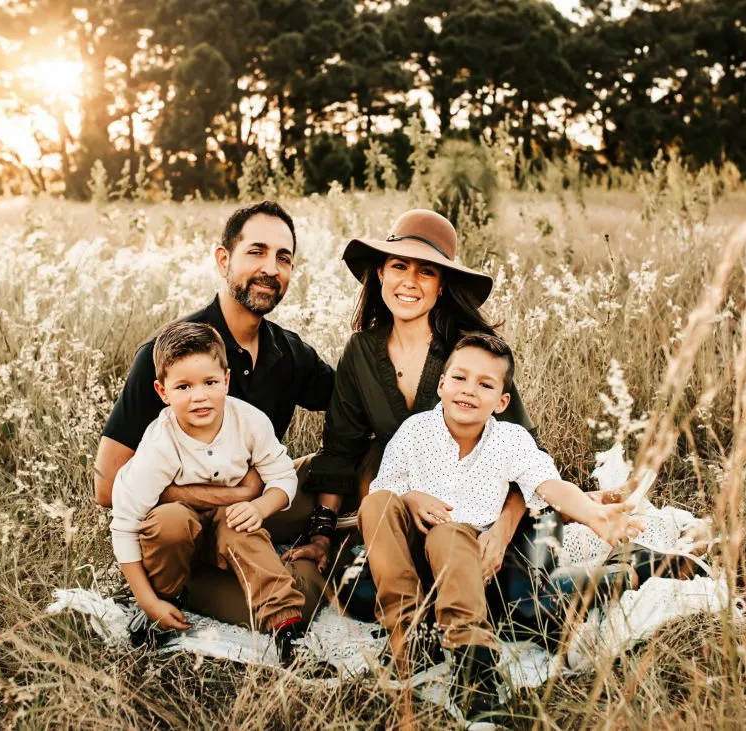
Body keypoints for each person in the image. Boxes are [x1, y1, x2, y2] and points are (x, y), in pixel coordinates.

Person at [359, 333, 642, 717]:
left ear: (502, 401)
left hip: (472, 556)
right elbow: (384, 491)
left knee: (455, 538)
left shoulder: (510, 439)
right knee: (377, 505)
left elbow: (547, 484)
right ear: (441, 384)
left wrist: (592, 516)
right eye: (459, 378)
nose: (469, 391)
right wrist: (410, 498)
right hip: (414, 551)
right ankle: (409, 637)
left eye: (485, 384)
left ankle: (473, 663)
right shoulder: (414, 432)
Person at [95, 201, 335, 627]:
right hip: (179, 534)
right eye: (256, 252)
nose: (271, 268)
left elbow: (349, 405)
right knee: (300, 595)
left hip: (247, 521)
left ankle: (304, 557)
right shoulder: (168, 357)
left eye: (284, 258)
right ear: (223, 259)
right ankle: (184, 589)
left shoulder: (289, 352)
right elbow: (109, 488)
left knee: (328, 474)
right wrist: (241, 494)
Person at [283, 209, 540, 604]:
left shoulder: (470, 350)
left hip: (478, 514)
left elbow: (526, 455)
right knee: (362, 600)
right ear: (381, 273)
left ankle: (634, 567)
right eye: (399, 265)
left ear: (442, 286)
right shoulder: (361, 351)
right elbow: (340, 452)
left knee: (520, 606)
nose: (410, 281)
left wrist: (500, 533)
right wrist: (321, 535)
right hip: (401, 511)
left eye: (427, 271)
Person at [111, 322, 307, 663]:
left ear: (227, 381)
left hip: (226, 524)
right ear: (162, 391)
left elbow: (283, 477)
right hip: (178, 535)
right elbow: (125, 524)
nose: (199, 396)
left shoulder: (249, 421)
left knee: (240, 524)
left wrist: (260, 506)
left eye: (210, 383)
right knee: (168, 520)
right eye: (184, 386)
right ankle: (167, 600)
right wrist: (147, 600)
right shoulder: (160, 444)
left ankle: (286, 627)